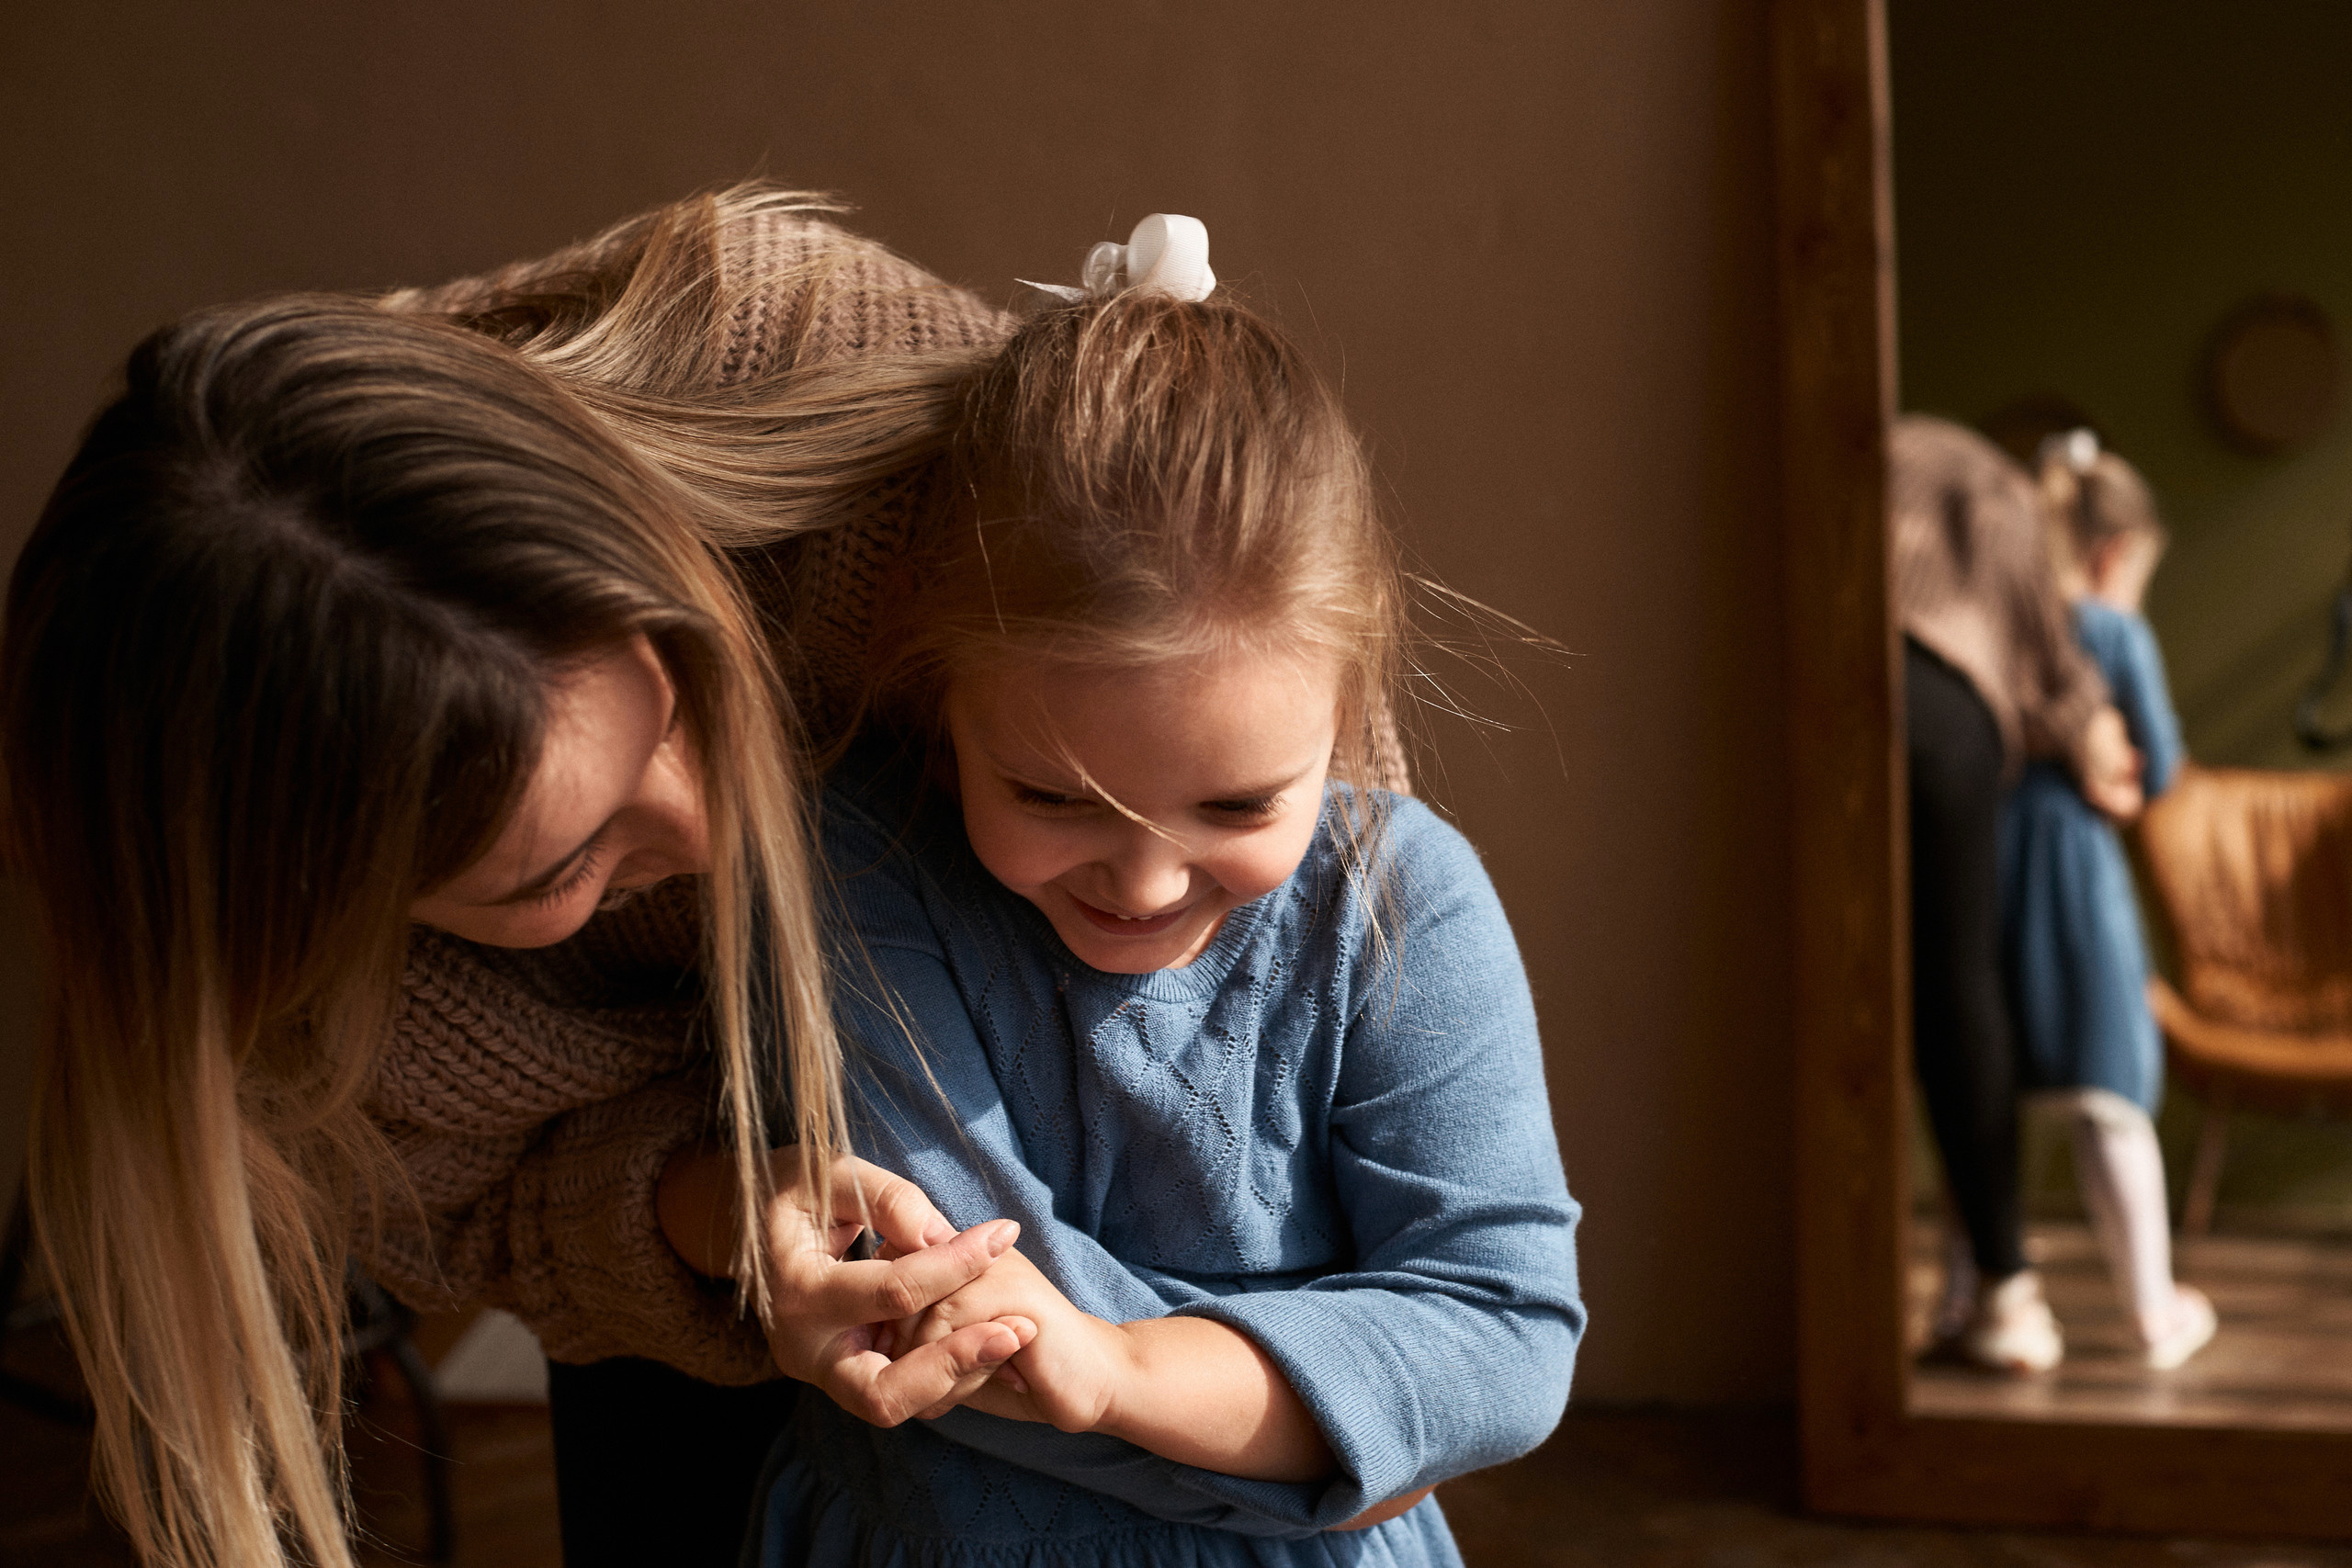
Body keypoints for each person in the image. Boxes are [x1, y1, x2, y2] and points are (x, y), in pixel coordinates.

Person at [6, 187, 1060, 1568]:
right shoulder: (295, 988)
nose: (713, 825)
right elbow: (497, 1200)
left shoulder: (803, 354)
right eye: (569, 865)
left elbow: (1266, 688)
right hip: (705, 1351)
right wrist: (730, 1212)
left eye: (681, 693)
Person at [749, 223, 1584, 1565]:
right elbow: (939, 1319)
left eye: (1239, 804)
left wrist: (1118, 1367)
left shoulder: (1404, 898)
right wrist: (1346, 1439)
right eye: (1054, 796)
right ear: (939, 694)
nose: (1143, 879)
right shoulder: (862, 868)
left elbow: (1505, 1332)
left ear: (1347, 706)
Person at [1890, 414, 2139, 1374]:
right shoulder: (1999, 489)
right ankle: (2005, 1292)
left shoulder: (1876, 447)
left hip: (1830, 687)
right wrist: (2099, 739)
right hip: (1942, 710)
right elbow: (2051, 666)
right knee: (1958, 989)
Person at [1995, 431, 2214, 1371]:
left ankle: (1981, 1293)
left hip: (1986, 867)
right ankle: (2150, 1308)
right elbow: (2156, 766)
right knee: (2109, 1092)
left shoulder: (1997, 623)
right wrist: (2124, 773)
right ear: (2115, 553)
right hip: (2075, 872)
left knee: (1987, 1097)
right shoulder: (2115, 633)